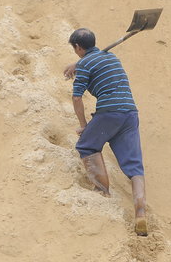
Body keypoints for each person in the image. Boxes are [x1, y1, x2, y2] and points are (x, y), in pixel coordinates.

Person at [63, 28, 147, 236]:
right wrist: (78, 64)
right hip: (130, 113)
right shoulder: (111, 57)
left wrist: (83, 125)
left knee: (86, 145)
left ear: (77, 47)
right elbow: (92, 63)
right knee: (134, 166)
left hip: (109, 112)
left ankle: (102, 192)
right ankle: (141, 212)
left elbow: (77, 97)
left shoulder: (84, 65)